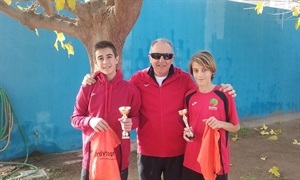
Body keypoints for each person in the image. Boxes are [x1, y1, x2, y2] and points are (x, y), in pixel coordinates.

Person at [82, 38, 236, 180]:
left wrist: (223, 89)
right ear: (149, 57)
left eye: (167, 56)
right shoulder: (137, 79)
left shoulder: (183, 79)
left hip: (177, 152)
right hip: (148, 153)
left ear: (173, 59)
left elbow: (203, 92)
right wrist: (94, 78)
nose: (161, 60)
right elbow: (119, 91)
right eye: (156, 55)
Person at [70, 40, 141, 180]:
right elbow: (75, 118)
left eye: (109, 56)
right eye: (100, 58)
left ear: (116, 59)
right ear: (96, 62)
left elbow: (137, 117)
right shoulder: (88, 87)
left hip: (119, 158)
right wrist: (90, 121)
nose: (105, 62)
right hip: (93, 158)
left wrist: (131, 123)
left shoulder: (130, 90)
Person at [182, 50, 240, 180]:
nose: (200, 75)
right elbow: (189, 124)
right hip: (192, 160)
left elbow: (236, 127)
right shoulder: (189, 96)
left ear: (212, 71)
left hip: (216, 159)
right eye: (196, 71)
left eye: (204, 70)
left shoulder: (224, 95)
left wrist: (220, 124)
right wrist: (186, 132)